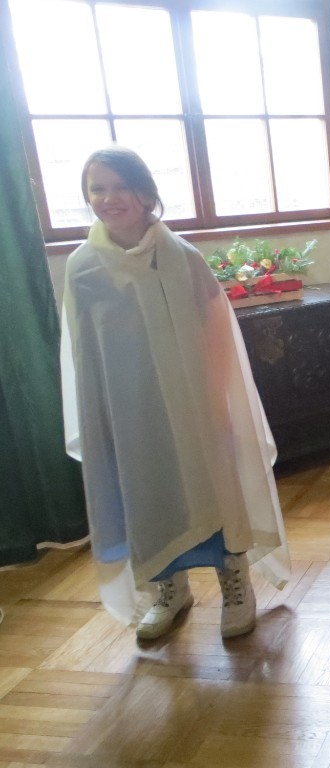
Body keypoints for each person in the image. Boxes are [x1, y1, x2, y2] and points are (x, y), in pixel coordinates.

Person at [61, 146, 290, 642]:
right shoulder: (83, 268)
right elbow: (83, 352)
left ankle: (235, 582)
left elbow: (216, 335)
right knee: (147, 492)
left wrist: (220, 402)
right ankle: (168, 588)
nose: (109, 198)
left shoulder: (183, 259)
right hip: (131, 412)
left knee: (212, 488)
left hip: (193, 405)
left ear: (146, 195)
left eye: (120, 186)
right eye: (98, 188)